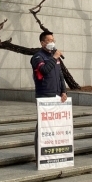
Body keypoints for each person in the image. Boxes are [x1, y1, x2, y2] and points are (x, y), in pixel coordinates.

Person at [31, 31, 67, 161]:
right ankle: (39, 156)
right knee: (42, 126)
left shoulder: (54, 57)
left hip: (57, 94)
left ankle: (52, 153)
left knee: (55, 125)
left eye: (53, 40)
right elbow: (44, 70)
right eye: (49, 40)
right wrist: (54, 57)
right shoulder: (37, 57)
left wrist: (63, 91)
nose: (53, 42)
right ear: (42, 43)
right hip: (44, 95)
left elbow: (60, 76)